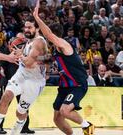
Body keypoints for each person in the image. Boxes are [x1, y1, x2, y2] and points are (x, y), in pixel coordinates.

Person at [33, 1, 95, 135]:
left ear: (54, 35)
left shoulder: (64, 44)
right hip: (64, 86)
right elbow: (46, 60)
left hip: (77, 84)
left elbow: (48, 35)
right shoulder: (55, 50)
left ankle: (87, 126)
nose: (45, 37)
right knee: (57, 119)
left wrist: (37, 18)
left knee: (65, 111)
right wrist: (24, 57)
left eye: (48, 35)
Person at [0, 16, 49, 135]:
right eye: (25, 27)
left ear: (37, 28)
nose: (26, 30)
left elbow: (29, 63)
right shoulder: (28, 41)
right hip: (20, 76)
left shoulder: (39, 42)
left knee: (20, 112)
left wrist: (20, 55)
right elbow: (33, 61)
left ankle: (21, 123)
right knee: (6, 96)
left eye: (29, 27)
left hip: (34, 82)